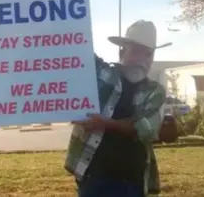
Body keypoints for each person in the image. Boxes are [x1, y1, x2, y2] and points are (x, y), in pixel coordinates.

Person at [64, 20, 172, 197]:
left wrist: (105, 124)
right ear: (122, 51)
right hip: (92, 176)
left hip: (131, 181)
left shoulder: (156, 91)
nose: (142, 61)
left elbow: (146, 128)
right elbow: (75, 49)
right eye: (136, 52)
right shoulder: (103, 74)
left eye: (148, 54)